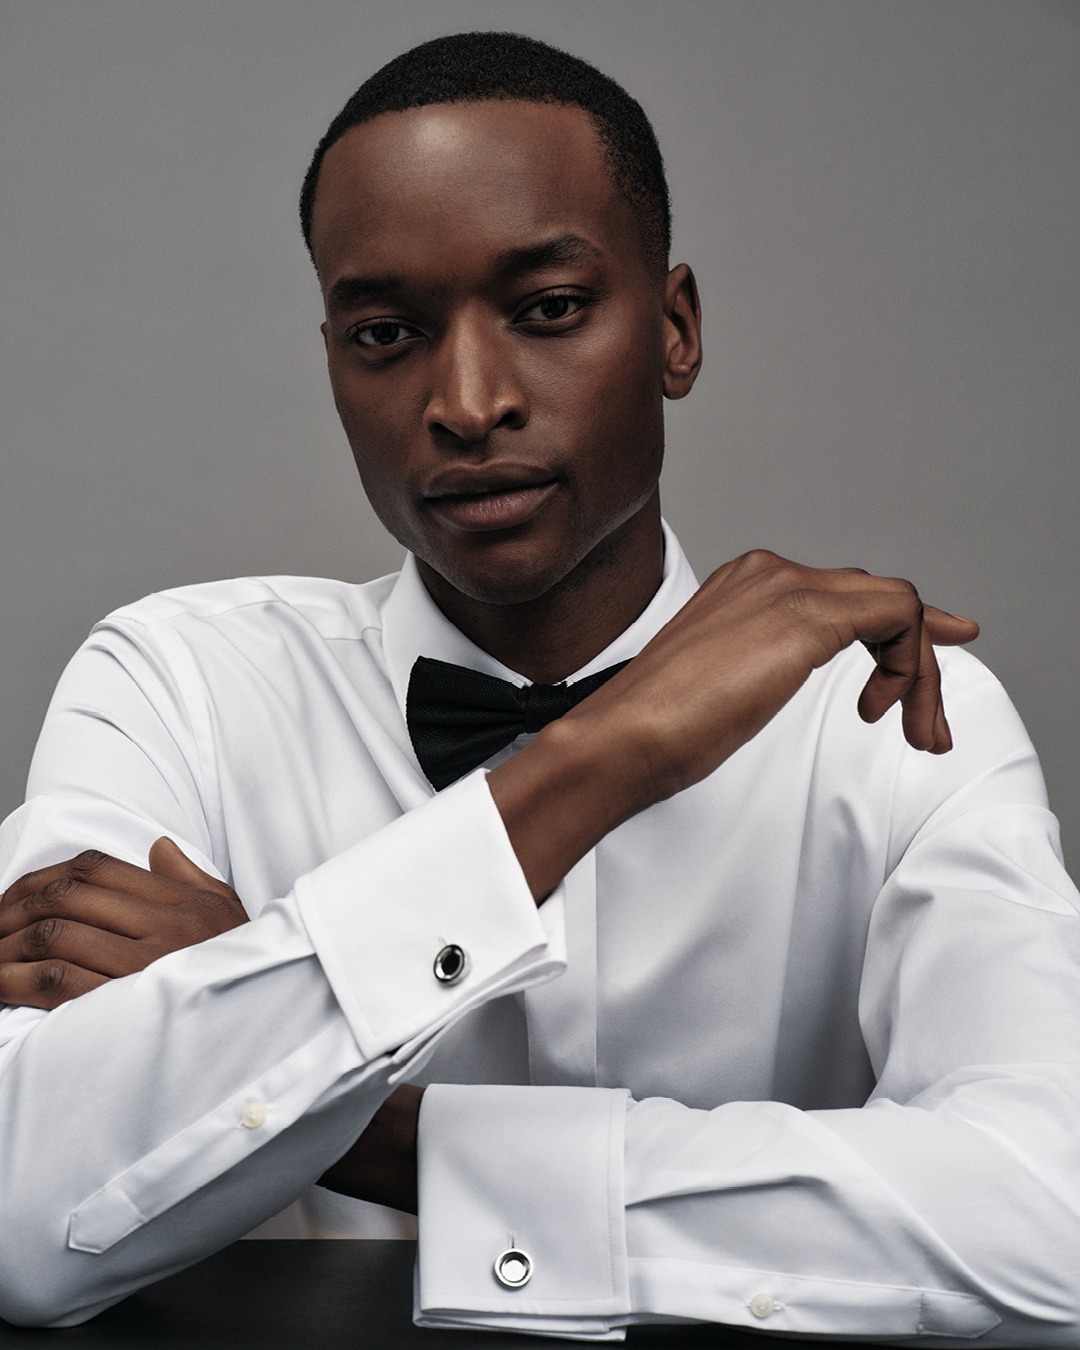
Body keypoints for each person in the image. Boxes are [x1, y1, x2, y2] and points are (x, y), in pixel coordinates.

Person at [0, 30, 1077, 1344]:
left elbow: (1052, 1224)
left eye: (549, 307)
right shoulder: (177, 687)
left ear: (674, 329)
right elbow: (20, 1215)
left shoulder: (900, 720)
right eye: (386, 332)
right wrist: (598, 759)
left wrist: (340, 1111)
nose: (465, 399)